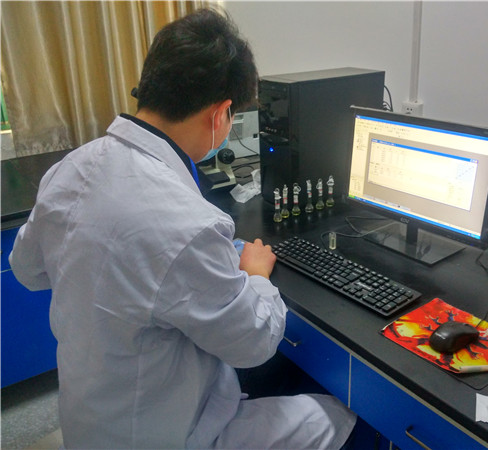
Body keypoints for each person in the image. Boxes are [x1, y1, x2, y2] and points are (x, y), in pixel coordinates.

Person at [9, 7, 356, 449]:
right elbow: (254, 344)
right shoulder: (188, 224)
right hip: (167, 435)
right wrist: (254, 276)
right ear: (221, 113)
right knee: (337, 414)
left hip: (90, 422)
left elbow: (27, 269)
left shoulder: (72, 168)